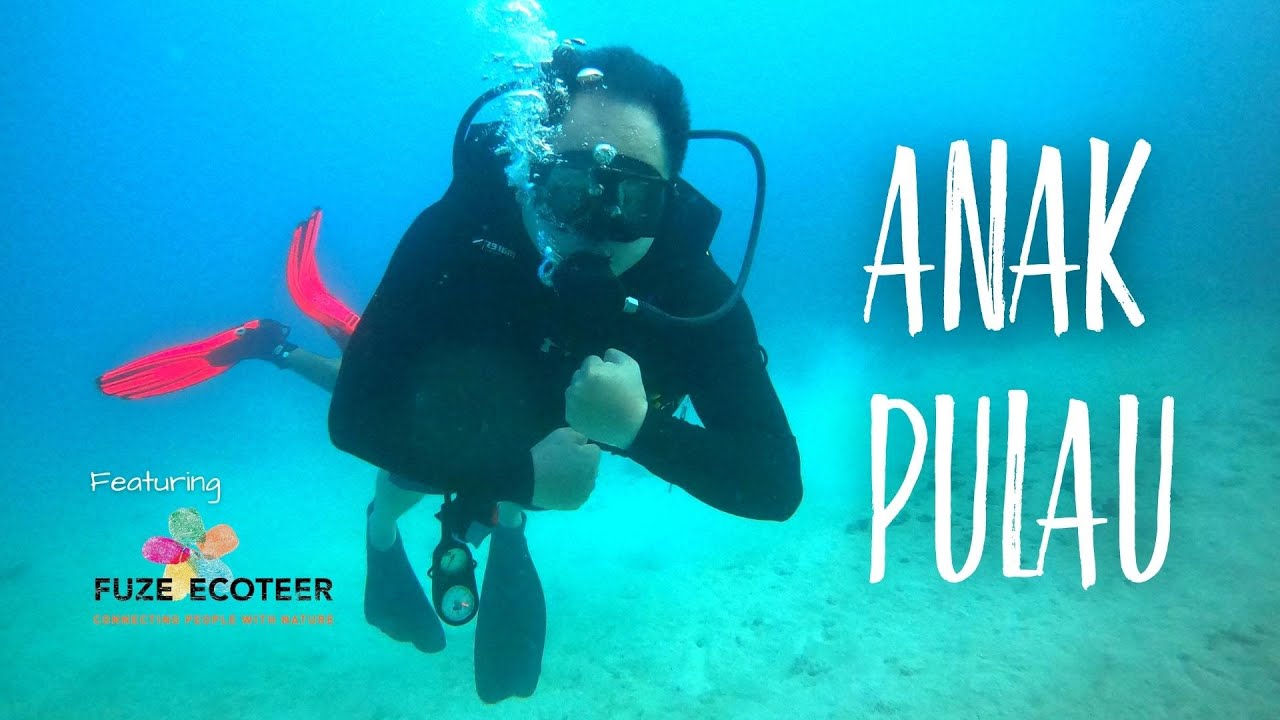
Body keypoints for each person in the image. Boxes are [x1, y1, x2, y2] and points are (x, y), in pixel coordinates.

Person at [328, 44, 802, 703]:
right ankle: (383, 529)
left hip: (556, 443)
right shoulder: (460, 236)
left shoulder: (689, 290)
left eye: (632, 197)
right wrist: (521, 476)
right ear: (530, 173)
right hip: (458, 415)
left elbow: (775, 485)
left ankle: (504, 514)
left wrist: (638, 429)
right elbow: (355, 416)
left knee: (518, 491)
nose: (595, 225)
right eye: (568, 188)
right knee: (413, 475)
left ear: (668, 201)